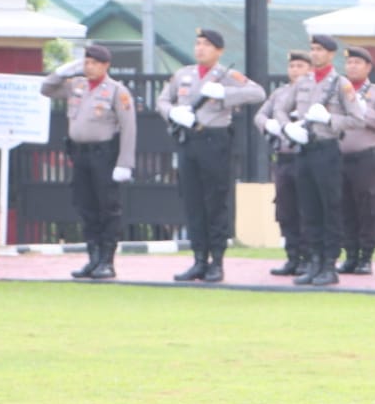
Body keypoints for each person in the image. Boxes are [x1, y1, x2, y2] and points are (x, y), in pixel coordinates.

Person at [156, 27, 267, 283]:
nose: (200, 48)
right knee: (193, 202)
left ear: (219, 51)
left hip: (214, 140)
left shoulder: (225, 76)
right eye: (197, 43)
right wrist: (172, 113)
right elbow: (163, 100)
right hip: (188, 140)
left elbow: (257, 92)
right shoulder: (183, 74)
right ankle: (198, 260)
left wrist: (225, 94)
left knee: (215, 203)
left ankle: (216, 261)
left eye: (206, 44)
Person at [271, 34, 365, 287]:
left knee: (329, 208)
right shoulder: (303, 83)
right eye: (312, 49)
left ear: (331, 54)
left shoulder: (340, 84)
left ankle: (328, 264)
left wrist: (330, 120)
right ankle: (313, 262)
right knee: (308, 209)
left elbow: (358, 119)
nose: (314, 54)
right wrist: (287, 128)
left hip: (326, 150)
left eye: (320, 50)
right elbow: (279, 108)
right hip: (304, 150)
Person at [41, 45, 137, 279]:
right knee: (86, 207)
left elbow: (128, 127)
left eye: (94, 63)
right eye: (86, 62)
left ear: (105, 65)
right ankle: (93, 259)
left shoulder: (116, 91)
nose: (89, 67)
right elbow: (46, 89)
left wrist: (125, 162)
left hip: (104, 155)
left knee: (107, 208)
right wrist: (62, 71)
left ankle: (107, 260)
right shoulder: (77, 86)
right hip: (80, 154)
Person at [254, 50, 311, 275]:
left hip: (306, 156)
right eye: (292, 66)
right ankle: (292, 256)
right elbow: (259, 115)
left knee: (306, 209)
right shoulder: (280, 93)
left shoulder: (314, 93)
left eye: (300, 66)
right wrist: (268, 125)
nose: (295, 70)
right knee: (285, 209)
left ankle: (309, 257)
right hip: (285, 156)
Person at [337, 46, 375, 275]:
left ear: (368, 67)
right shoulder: (337, 90)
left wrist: (361, 110)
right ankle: (350, 254)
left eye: (358, 63)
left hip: (365, 156)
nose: (352, 67)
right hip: (339, 156)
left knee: (368, 207)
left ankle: (366, 256)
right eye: (349, 63)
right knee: (345, 207)